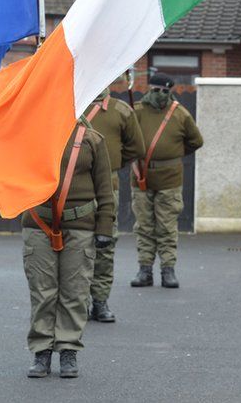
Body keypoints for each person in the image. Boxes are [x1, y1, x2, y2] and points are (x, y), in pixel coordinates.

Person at [22, 119, 115, 379]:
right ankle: (41, 350)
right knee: (42, 291)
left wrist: (105, 227)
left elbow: (105, 188)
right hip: (38, 223)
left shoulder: (92, 139)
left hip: (81, 226)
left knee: (75, 291)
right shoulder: (32, 134)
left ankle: (68, 349)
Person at [129, 74, 203, 289]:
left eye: (164, 91)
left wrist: (174, 153)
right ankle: (144, 270)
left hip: (170, 179)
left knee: (167, 226)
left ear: (170, 91)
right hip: (141, 177)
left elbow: (196, 141)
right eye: (156, 89)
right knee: (143, 226)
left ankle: (168, 269)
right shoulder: (137, 112)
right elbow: (127, 139)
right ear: (149, 88)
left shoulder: (179, 114)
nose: (159, 95)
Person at [83, 87, 145, 322]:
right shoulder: (70, 103)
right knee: (74, 246)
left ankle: (99, 301)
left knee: (104, 244)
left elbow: (136, 148)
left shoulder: (121, 110)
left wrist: (110, 161)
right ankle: (78, 303)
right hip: (72, 186)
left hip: (107, 186)